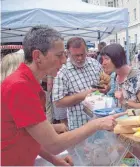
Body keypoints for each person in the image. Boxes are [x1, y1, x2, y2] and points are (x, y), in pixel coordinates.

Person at [1, 26, 124, 166]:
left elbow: (31, 135)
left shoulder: (26, 83)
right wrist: (97, 123)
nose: (64, 60)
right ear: (37, 56)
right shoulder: (20, 86)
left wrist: (54, 159)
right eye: (59, 55)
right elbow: (54, 144)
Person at [52, 37, 110, 130]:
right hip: (79, 126)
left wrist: (106, 88)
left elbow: (105, 84)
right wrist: (83, 95)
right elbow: (58, 102)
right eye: (76, 55)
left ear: (86, 50)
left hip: (100, 121)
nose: (80, 58)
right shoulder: (63, 72)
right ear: (68, 53)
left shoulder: (94, 64)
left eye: (82, 54)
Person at [101, 43, 140, 110]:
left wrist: (124, 101)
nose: (103, 63)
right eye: (102, 59)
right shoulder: (115, 75)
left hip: (135, 120)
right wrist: (107, 89)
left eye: (106, 59)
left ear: (117, 58)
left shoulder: (138, 76)